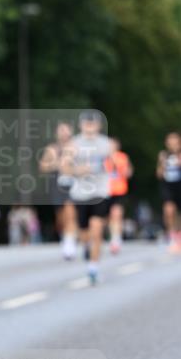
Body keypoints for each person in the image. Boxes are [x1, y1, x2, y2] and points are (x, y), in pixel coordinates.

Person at [63, 111, 111, 284]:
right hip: (80, 193)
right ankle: (86, 247)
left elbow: (115, 166)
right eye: (86, 123)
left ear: (99, 126)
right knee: (84, 232)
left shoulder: (106, 144)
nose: (90, 127)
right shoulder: (73, 144)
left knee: (96, 229)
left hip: (100, 192)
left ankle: (93, 268)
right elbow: (65, 167)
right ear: (81, 125)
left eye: (93, 124)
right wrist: (77, 170)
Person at [39, 121, 78, 259]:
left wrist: (71, 168)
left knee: (70, 212)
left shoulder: (76, 147)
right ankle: (66, 237)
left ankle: (70, 243)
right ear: (57, 133)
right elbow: (42, 167)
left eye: (66, 130)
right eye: (61, 130)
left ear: (71, 132)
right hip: (56, 185)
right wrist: (56, 164)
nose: (64, 133)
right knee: (60, 218)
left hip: (73, 185)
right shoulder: (52, 149)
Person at [105, 138, 133, 254]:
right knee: (108, 217)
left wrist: (120, 168)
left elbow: (128, 172)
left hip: (119, 190)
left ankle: (116, 240)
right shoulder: (103, 157)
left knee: (116, 214)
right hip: (105, 191)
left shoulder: (123, 157)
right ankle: (112, 236)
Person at [156, 131, 181, 252]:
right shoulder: (163, 155)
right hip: (168, 187)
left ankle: (179, 234)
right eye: (170, 142)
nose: (173, 144)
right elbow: (159, 174)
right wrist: (162, 164)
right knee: (169, 211)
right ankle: (171, 236)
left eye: (175, 141)